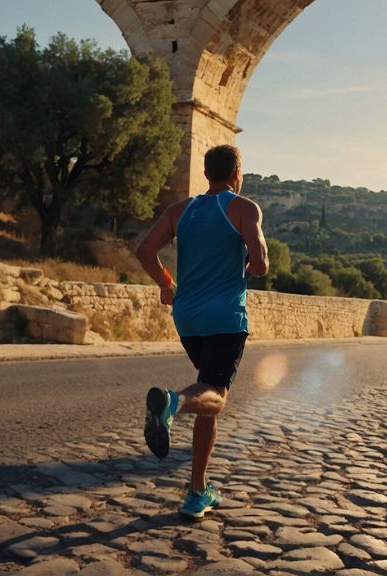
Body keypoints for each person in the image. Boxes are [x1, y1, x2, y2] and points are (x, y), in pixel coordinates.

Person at [135, 144, 268, 519]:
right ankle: (172, 403)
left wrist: (165, 283)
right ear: (236, 173)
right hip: (224, 317)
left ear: (207, 173)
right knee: (217, 396)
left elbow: (145, 250)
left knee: (207, 395)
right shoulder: (244, 208)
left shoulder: (180, 211)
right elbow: (259, 266)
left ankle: (197, 491)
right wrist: (249, 255)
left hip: (187, 317)